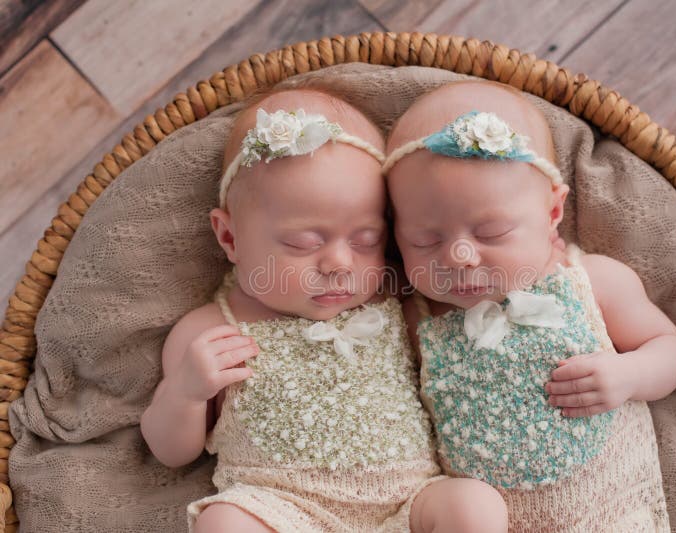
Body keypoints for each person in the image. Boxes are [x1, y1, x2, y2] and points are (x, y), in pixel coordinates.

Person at [140, 87, 508, 533]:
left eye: (365, 241)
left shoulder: (394, 300)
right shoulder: (211, 330)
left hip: (407, 507)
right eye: (303, 244)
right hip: (281, 511)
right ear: (230, 238)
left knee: (473, 503)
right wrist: (184, 393)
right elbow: (173, 453)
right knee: (223, 523)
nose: (339, 264)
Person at [383, 80, 676, 531]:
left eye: (491, 234)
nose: (458, 257)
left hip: (610, 507)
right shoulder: (418, 319)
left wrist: (630, 375)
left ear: (551, 213)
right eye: (425, 240)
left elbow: (669, 346)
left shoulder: (590, 282)